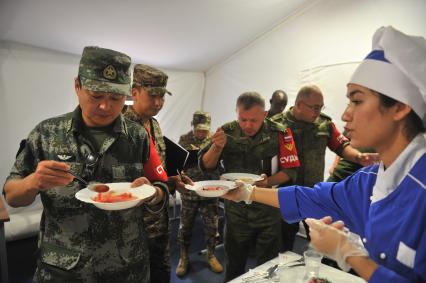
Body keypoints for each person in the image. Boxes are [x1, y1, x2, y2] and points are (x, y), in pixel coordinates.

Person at [223, 26, 426, 282]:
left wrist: (351, 255)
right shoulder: (371, 179)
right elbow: (314, 198)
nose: (345, 115)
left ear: (399, 107)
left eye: (357, 101)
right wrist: (248, 192)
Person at [3, 46, 169, 282]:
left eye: (115, 98)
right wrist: (33, 182)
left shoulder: (138, 136)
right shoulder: (46, 133)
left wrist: (152, 193)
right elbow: (11, 195)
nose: (105, 106)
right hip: (63, 270)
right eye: (96, 95)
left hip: (126, 268)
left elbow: (160, 185)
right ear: (77, 86)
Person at [199, 91, 300, 281]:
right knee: (235, 265)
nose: (247, 125)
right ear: (236, 113)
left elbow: (291, 170)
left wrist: (267, 182)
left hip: (268, 211)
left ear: (264, 114)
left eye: (253, 120)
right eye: (242, 119)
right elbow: (205, 165)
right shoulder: (226, 131)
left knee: (268, 266)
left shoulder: (281, 132)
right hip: (236, 212)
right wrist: (216, 147)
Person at [271, 84, 378, 248]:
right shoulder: (276, 125)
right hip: (284, 193)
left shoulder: (324, 124)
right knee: (283, 243)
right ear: (299, 105)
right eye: (314, 107)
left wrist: (358, 156)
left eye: (321, 107)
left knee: (321, 243)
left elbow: (341, 146)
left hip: (313, 195)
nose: (318, 112)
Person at [123, 64, 190, 283]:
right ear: (134, 92)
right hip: (132, 226)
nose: (159, 103)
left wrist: (173, 180)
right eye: (153, 96)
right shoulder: (119, 126)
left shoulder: (154, 124)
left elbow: (156, 169)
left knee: (161, 274)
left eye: (162, 96)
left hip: (159, 218)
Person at [175, 111, 223, 276]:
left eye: (205, 130)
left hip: (209, 193)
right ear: (193, 126)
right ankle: (183, 257)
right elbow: (178, 165)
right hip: (190, 193)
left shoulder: (214, 141)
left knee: (212, 227)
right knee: (185, 227)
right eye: (199, 130)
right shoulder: (184, 140)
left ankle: (211, 255)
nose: (202, 133)